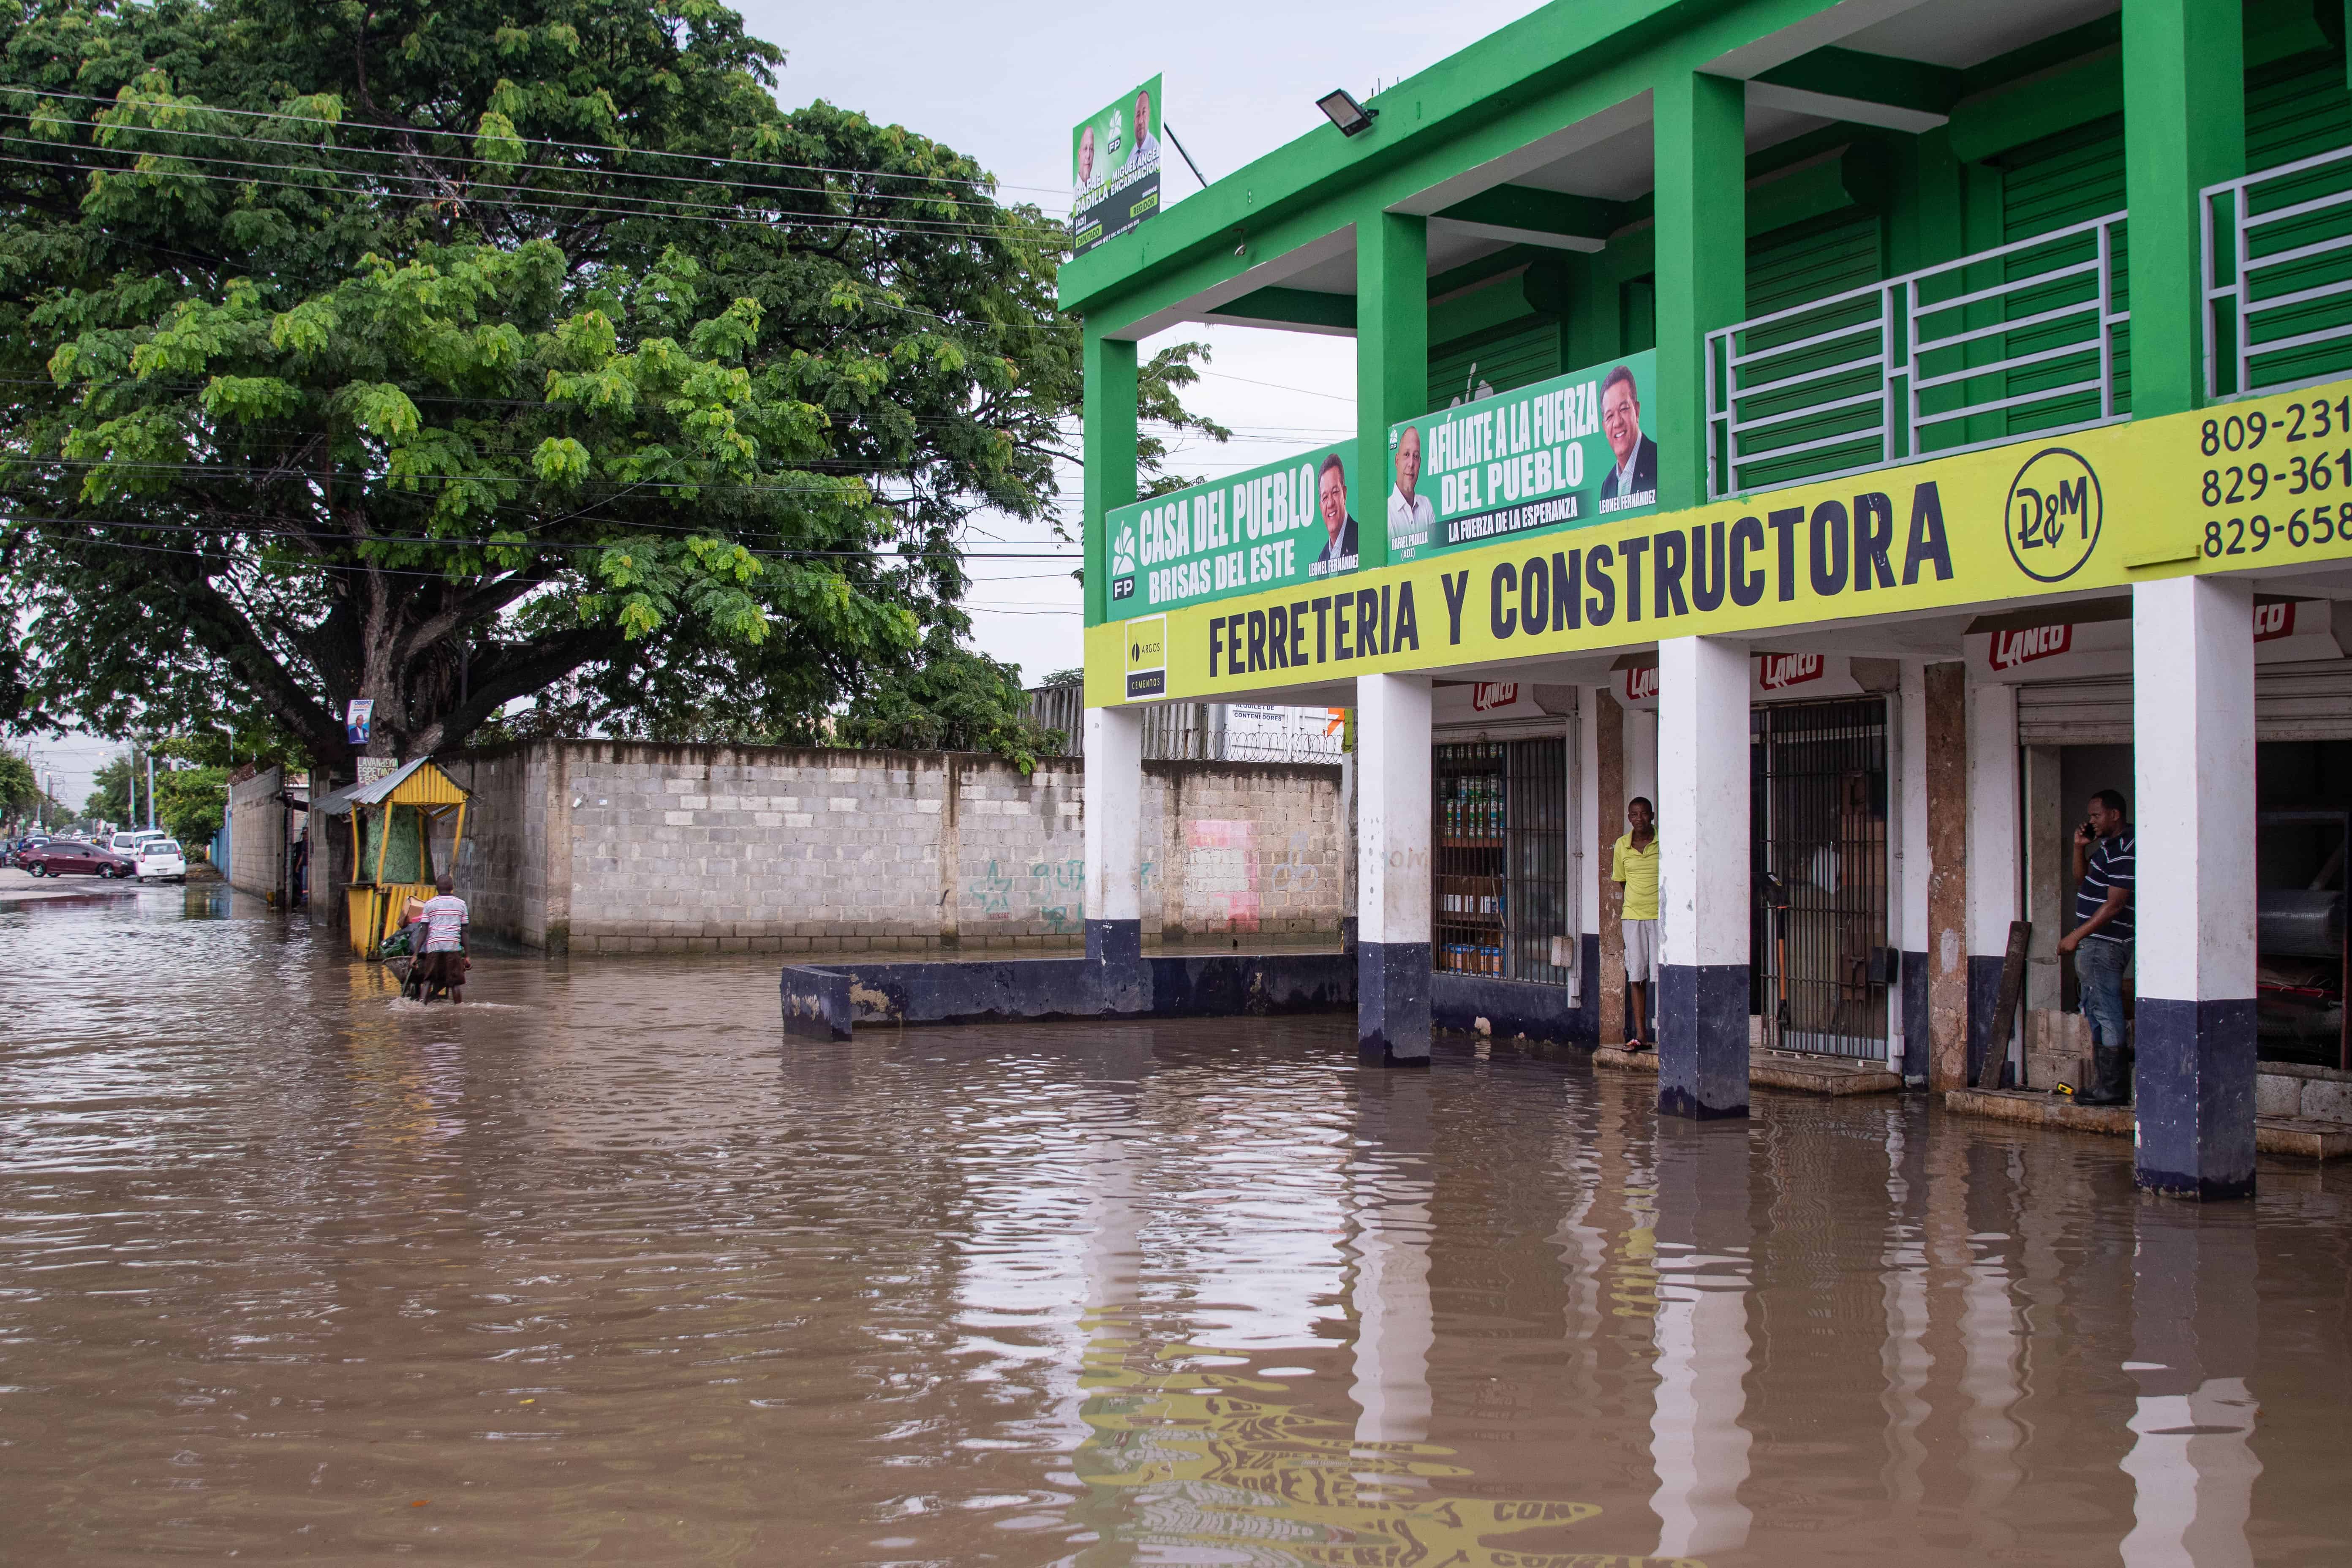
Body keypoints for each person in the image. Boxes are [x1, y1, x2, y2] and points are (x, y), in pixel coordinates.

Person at [2057, 789, 2134, 1105]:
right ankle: (2107, 1086)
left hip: (2106, 943)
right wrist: (2079, 848)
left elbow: (2115, 905)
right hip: (2095, 943)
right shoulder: (2108, 848)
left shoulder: (2127, 849)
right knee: (2097, 1009)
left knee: (2106, 1009)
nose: (2091, 821)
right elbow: (2082, 881)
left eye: (2096, 815)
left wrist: (2077, 935)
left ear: (2115, 814)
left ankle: (2113, 1089)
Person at [1610, 796, 1660, 1051]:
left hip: (1661, 918)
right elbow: (1622, 881)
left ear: (1652, 815)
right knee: (1637, 975)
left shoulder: (1664, 842)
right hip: (1633, 916)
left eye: (1643, 814)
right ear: (1629, 818)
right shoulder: (1622, 845)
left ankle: (1669, 1032)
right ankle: (1641, 1035)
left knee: (1663, 976)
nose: (1638, 818)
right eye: (1633, 815)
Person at [1597, 365, 1658, 512]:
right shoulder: (1608, 486)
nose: (1617, 422)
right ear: (1605, 428)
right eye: (1610, 416)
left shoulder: (1660, 462)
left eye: (1624, 409)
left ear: (1637, 411)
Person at [413, 872, 471, 1004]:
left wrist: (415, 955)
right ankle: (459, 1009)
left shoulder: (429, 904)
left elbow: (424, 930)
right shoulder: (462, 904)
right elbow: (465, 931)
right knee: (455, 982)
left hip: (434, 946)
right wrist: (467, 956)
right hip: (452, 946)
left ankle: (421, 1007)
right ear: (452, 887)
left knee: (428, 980)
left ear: (437, 888)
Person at [1387, 424, 1435, 558]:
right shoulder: (1387, 512)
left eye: (1416, 456)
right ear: (1397, 461)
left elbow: (1435, 556)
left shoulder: (1427, 506)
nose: (1411, 464)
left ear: (1420, 462)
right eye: (1407, 455)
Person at [1309, 453, 1358, 577]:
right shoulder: (1323, 558)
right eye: (1325, 497)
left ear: (1345, 494)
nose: (1331, 503)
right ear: (1321, 507)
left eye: (1335, 492)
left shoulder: (1361, 539)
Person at [1131, 87, 1162, 167]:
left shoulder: (1156, 150)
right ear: (1134, 122)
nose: (1141, 121)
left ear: (1149, 116)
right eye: (1138, 115)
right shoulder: (1131, 158)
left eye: (1144, 113)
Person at [1073, 124, 1098, 204]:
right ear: (1079, 154)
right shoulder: (1074, 196)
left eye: (1091, 149)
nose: (1088, 156)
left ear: (1094, 153)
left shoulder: (1100, 193)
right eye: (1085, 149)